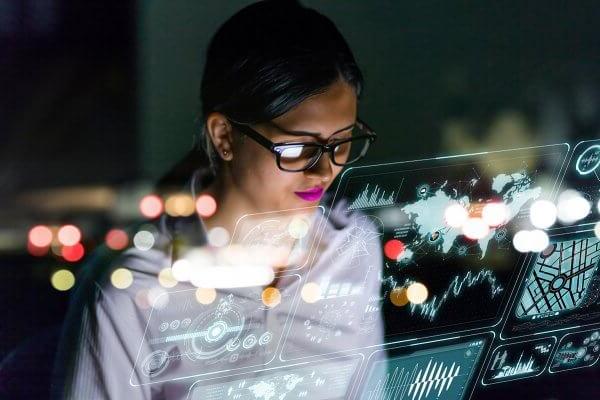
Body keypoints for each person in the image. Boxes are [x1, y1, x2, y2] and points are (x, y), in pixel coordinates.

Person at [53, 1, 384, 398]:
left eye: (343, 143)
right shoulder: (135, 289)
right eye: (298, 147)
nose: (324, 171)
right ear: (225, 136)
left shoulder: (352, 249)